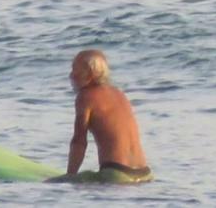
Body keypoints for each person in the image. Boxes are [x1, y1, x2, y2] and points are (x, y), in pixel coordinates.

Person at [49, 49, 153, 184]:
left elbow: (79, 141)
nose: (71, 75)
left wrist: (70, 176)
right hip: (145, 174)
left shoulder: (86, 96)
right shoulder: (119, 93)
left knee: (50, 184)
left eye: (75, 69)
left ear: (90, 73)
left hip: (117, 174)